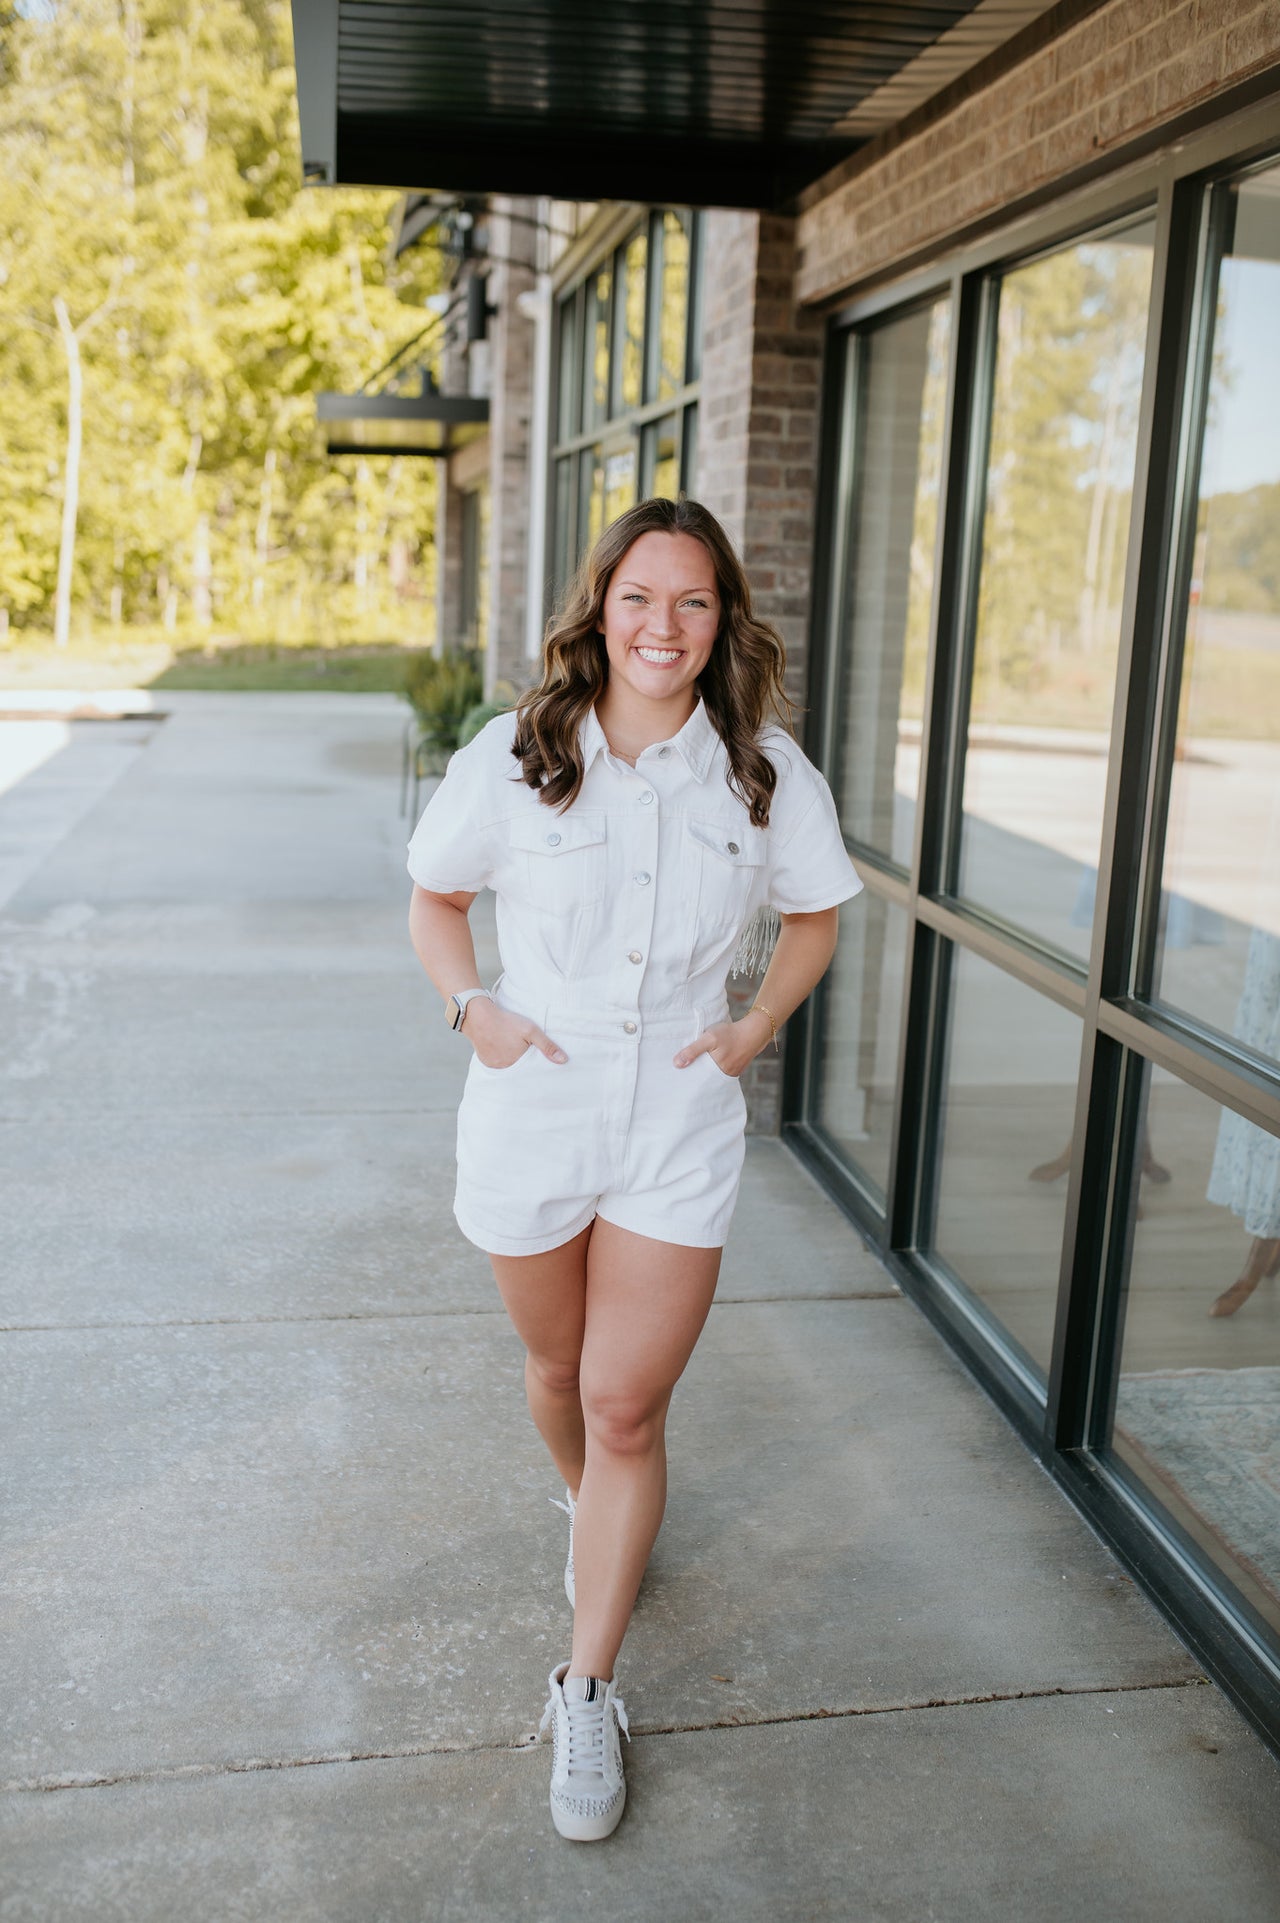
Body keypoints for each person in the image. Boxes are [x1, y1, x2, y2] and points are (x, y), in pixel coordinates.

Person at [406, 497, 862, 1841]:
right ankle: (591, 1514)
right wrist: (469, 1007)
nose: (664, 626)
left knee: (623, 1407)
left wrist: (756, 1025)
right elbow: (437, 897)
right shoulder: (517, 752)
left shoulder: (762, 770)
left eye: (694, 602)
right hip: (533, 1094)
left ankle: (588, 1688)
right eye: (640, 598)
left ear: (722, 623)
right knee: (557, 1379)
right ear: (600, 609)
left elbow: (819, 914)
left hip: (676, 1107)